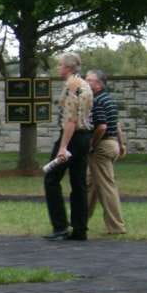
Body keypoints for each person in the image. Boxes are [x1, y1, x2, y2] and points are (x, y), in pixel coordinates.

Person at [42, 52, 95, 241]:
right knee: (78, 182)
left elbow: (71, 120)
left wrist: (63, 147)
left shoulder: (72, 86)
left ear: (67, 67)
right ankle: (80, 229)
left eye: (60, 65)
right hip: (84, 137)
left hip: (72, 137)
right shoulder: (85, 84)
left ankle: (60, 227)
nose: (58, 68)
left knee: (51, 178)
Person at [85, 69, 127, 235]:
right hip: (112, 143)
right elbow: (116, 124)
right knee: (90, 184)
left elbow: (102, 127)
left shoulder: (97, 101)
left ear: (98, 84)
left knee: (106, 186)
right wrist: (121, 144)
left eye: (89, 80)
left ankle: (116, 226)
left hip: (102, 147)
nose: (86, 82)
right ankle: (79, 221)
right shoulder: (109, 99)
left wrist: (92, 145)